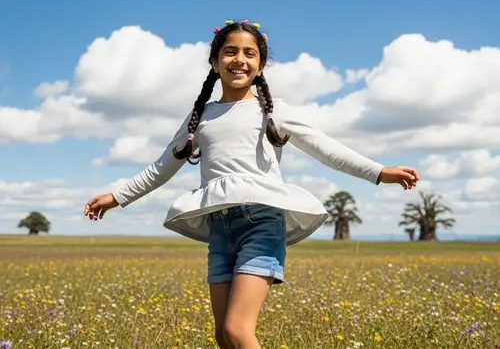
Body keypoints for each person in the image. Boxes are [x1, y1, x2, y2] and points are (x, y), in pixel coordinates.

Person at [84, 19, 419, 349]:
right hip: (221, 228)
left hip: (262, 224)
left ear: (260, 66)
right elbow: (162, 166)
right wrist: (117, 196)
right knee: (223, 336)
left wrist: (378, 172)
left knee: (238, 329)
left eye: (250, 53)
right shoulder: (201, 117)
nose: (239, 60)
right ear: (215, 62)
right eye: (230, 52)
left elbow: (326, 148)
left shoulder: (272, 112)